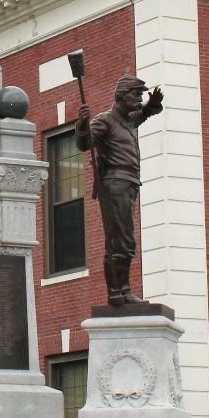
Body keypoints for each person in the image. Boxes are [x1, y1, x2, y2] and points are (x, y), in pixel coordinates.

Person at [75, 75, 164, 306]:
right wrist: (82, 124)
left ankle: (121, 291)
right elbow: (84, 144)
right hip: (115, 183)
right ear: (121, 96)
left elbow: (145, 113)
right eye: (135, 95)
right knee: (120, 240)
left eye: (140, 95)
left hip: (129, 183)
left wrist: (152, 103)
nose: (138, 100)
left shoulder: (128, 119)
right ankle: (118, 291)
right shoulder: (104, 120)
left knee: (122, 239)